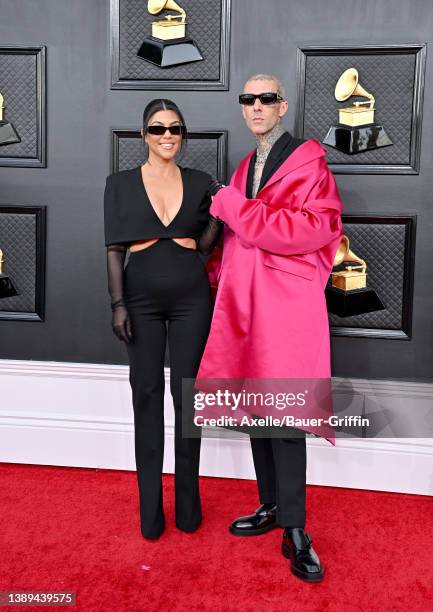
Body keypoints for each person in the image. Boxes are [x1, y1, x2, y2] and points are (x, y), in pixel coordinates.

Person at [197, 75, 343, 581]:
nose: (256, 107)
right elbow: (236, 239)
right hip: (246, 303)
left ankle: (297, 530)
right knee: (258, 408)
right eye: (248, 100)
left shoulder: (310, 163)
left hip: (286, 305)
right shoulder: (242, 169)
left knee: (286, 415)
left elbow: (312, 230)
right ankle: (271, 507)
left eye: (265, 99)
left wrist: (232, 206)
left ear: (281, 107)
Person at [104, 99, 223, 539]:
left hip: (193, 298)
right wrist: (118, 304)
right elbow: (115, 250)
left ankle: (188, 509)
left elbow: (207, 245)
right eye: (158, 129)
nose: (167, 135)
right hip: (140, 301)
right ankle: (150, 513)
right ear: (144, 135)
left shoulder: (198, 182)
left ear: (183, 133)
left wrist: (219, 209)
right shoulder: (119, 185)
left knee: (188, 400)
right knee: (147, 397)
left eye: (175, 128)